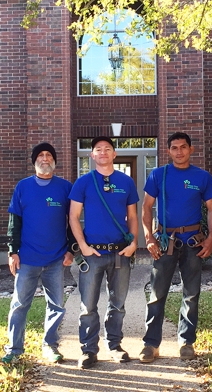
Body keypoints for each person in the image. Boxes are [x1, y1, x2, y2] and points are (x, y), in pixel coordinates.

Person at [138, 132, 212, 363]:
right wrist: (149, 237)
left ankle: (186, 342)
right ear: (169, 151)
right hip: (165, 242)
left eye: (184, 147)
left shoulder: (202, 177)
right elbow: (146, 207)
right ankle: (151, 344)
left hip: (194, 242)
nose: (179, 151)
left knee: (191, 294)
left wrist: (211, 237)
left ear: (191, 149)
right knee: (156, 294)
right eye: (175, 148)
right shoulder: (158, 175)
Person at [69, 136, 139, 369]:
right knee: (88, 306)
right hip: (93, 254)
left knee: (117, 304)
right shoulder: (83, 183)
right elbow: (73, 217)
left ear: (114, 154)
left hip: (121, 252)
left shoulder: (126, 182)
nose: (103, 152)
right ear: (92, 155)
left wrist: (133, 243)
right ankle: (88, 350)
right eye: (98, 149)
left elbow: (133, 216)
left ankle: (115, 346)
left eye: (107, 149)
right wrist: (83, 246)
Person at [1, 142, 74, 364]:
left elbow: (72, 222)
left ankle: (50, 346)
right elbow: (14, 222)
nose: (45, 158)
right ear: (34, 161)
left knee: (57, 305)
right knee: (20, 304)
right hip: (27, 259)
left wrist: (71, 250)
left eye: (48, 155)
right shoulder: (23, 187)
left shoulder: (65, 187)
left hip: (56, 258)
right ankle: (14, 349)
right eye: (40, 155)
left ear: (54, 161)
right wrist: (12, 251)